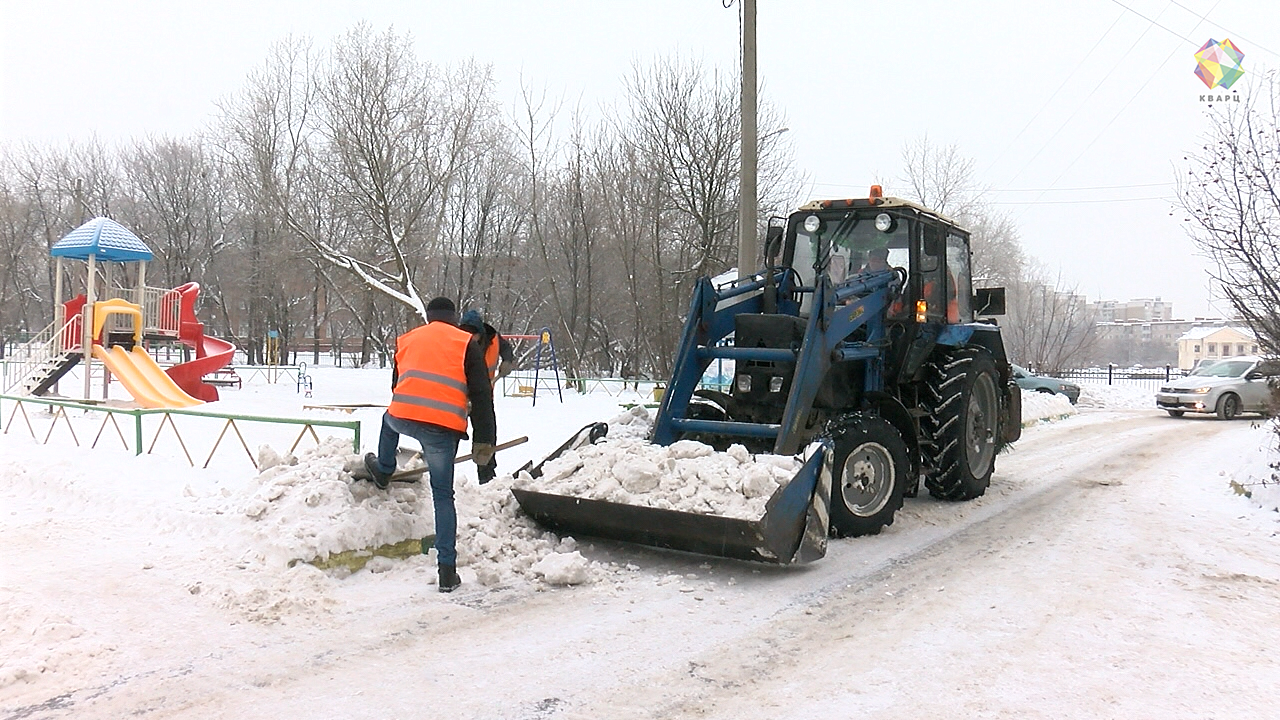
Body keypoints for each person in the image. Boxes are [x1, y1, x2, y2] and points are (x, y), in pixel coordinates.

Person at [363, 296, 496, 593]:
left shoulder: (408, 339)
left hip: (403, 417)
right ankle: (447, 573)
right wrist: (484, 440)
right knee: (442, 496)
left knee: (388, 420)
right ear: (452, 318)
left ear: (429, 317)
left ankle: (384, 468)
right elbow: (482, 395)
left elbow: (397, 385)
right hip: (442, 430)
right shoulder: (465, 343)